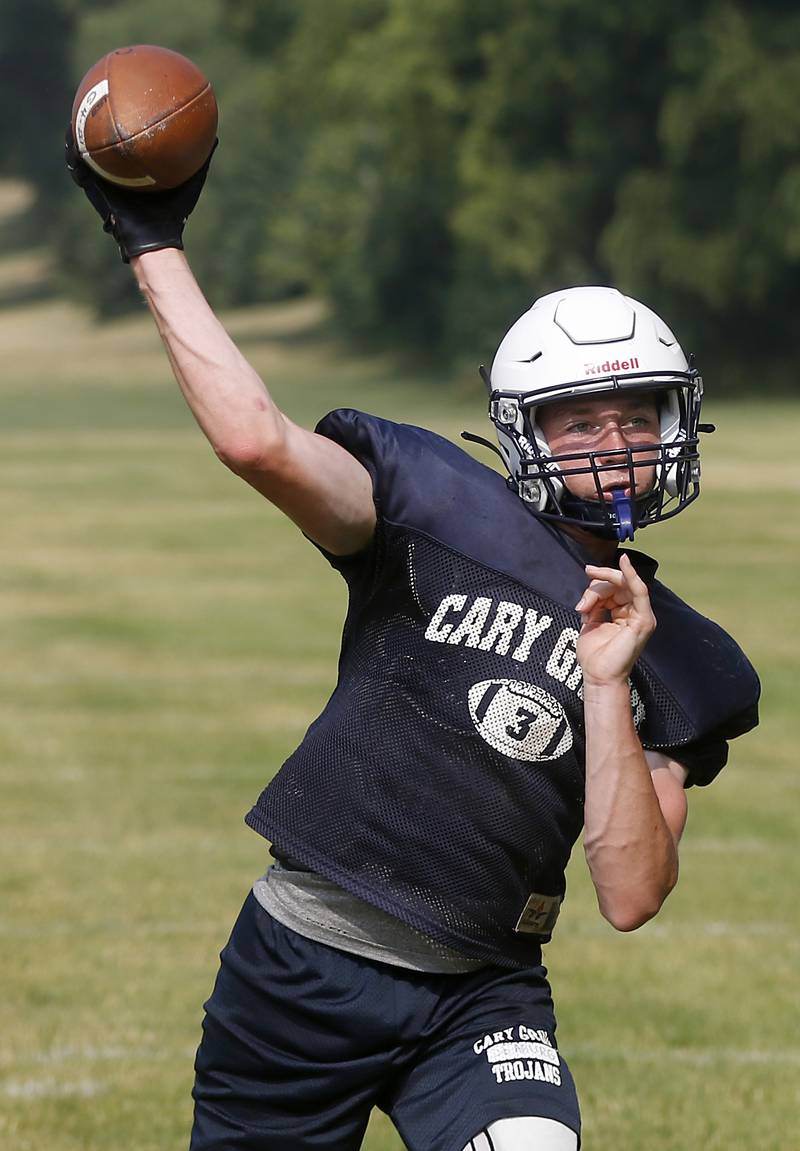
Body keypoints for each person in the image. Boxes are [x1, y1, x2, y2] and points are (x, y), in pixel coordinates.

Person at [66, 138, 759, 1151]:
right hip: (305, 957)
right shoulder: (430, 503)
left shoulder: (686, 658)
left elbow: (628, 893)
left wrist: (608, 684)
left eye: (635, 413)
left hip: (483, 990)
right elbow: (256, 440)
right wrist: (150, 238)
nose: (613, 445)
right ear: (521, 429)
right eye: (578, 422)